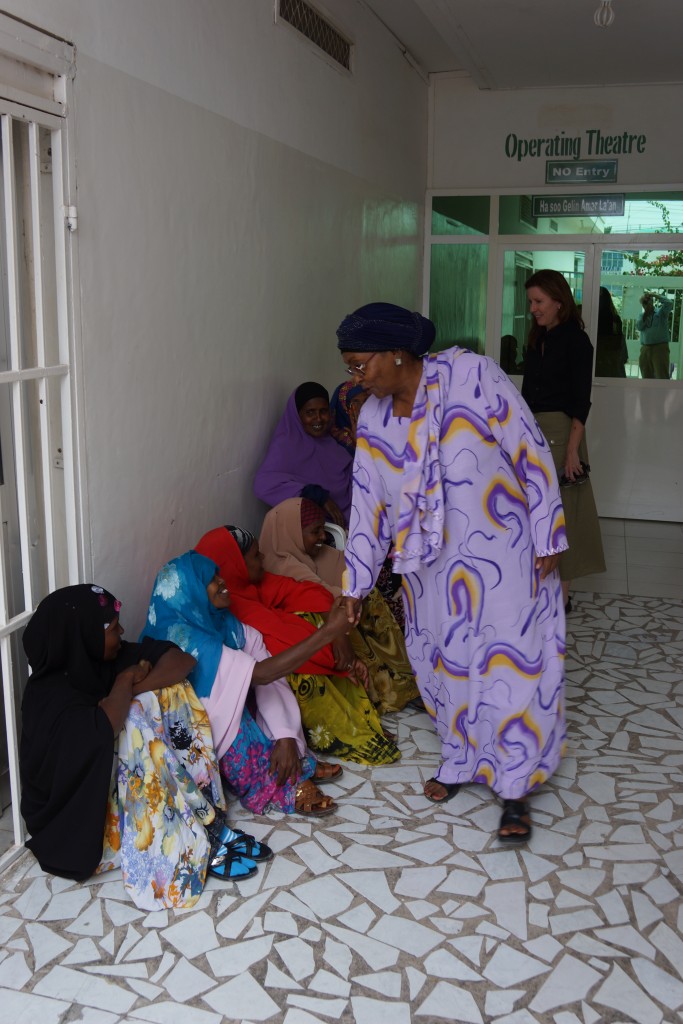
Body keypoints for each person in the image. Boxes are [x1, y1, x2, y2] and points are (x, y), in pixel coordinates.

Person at [336, 301, 568, 843]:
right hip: (429, 567)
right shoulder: (373, 418)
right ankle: (461, 758)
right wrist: (354, 583)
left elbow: (528, 445)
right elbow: (367, 504)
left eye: (360, 364)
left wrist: (547, 527)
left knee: (510, 663)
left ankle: (515, 787)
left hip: (505, 556)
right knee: (444, 661)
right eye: (349, 367)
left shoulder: (472, 376)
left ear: (397, 353)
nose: (355, 377)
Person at [19, 584, 267, 910]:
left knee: (168, 691)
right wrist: (124, 683)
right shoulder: (51, 700)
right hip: (72, 822)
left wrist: (134, 685)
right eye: (111, 627)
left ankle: (201, 816)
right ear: (83, 636)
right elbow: (107, 722)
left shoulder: (98, 659)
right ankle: (188, 831)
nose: (121, 631)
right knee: (134, 716)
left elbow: (181, 662)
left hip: (108, 788)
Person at [142, 551, 351, 817]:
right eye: (212, 579)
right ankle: (275, 783)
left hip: (219, 713)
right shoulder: (182, 636)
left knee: (253, 692)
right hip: (193, 733)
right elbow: (259, 674)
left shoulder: (223, 623)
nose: (222, 581)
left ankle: (290, 755)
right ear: (191, 591)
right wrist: (328, 632)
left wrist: (284, 734)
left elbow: (266, 668)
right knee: (238, 707)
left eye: (218, 573)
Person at [195, 525, 401, 766]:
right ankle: (344, 731)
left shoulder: (255, 584)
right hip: (261, 682)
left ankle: (369, 709)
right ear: (236, 565)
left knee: (324, 614)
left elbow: (312, 592)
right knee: (303, 664)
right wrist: (342, 655)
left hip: (289, 661)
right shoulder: (234, 607)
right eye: (255, 556)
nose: (263, 559)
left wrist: (339, 636)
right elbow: (288, 642)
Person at [259, 497, 420, 714]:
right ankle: (386, 690)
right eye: (315, 532)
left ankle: (404, 677)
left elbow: (348, 568)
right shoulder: (281, 565)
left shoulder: (307, 554)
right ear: (292, 534)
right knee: (352, 606)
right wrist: (351, 596)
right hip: (316, 633)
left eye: (322, 530)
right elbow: (320, 596)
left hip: (331, 619)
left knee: (365, 593)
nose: (323, 537)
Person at [523, 270, 606, 611]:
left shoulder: (575, 341)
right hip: (535, 431)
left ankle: (562, 597)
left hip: (561, 435)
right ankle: (538, 586)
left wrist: (572, 450)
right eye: (530, 302)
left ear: (559, 302)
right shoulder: (539, 338)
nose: (533, 309)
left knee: (564, 513)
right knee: (535, 509)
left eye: (539, 302)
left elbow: (580, 401)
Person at [254, 381, 352, 527]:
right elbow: (263, 485)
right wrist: (319, 497)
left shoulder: (332, 444)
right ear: (296, 415)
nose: (318, 419)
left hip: (351, 527)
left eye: (323, 411)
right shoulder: (286, 445)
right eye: (310, 412)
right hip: (314, 534)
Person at [637, 290, 673, 379]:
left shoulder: (661, 313)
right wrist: (646, 314)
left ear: (652, 302)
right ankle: (647, 393)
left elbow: (669, 303)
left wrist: (654, 295)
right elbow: (639, 327)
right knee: (646, 375)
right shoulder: (642, 315)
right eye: (644, 303)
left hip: (660, 348)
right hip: (645, 348)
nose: (646, 304)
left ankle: (663, 393)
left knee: (662, 375)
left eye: (648, 301)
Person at [595, 287, 627, 378]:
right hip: (613, 363)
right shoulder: (615, 319)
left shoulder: (592, 318)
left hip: (599, 361)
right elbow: (620, 341)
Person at [329, 380, 368, 454]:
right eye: (355, 401)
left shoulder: (379, 428)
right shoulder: (335, 436)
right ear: (344, 406)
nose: (362, 406)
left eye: (366, 400)